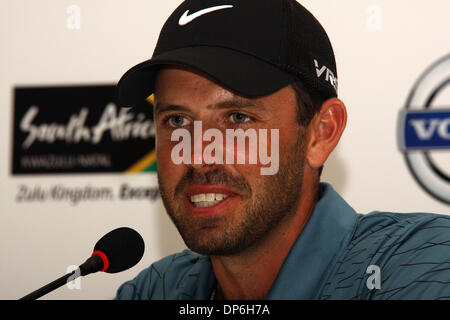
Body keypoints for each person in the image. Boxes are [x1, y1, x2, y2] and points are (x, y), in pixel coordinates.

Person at [114, 0, 450, 300]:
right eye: (176, 121)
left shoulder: (421, 267)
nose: (199, 154)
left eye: (238, 118)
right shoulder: (152, 290)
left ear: (321, 133)